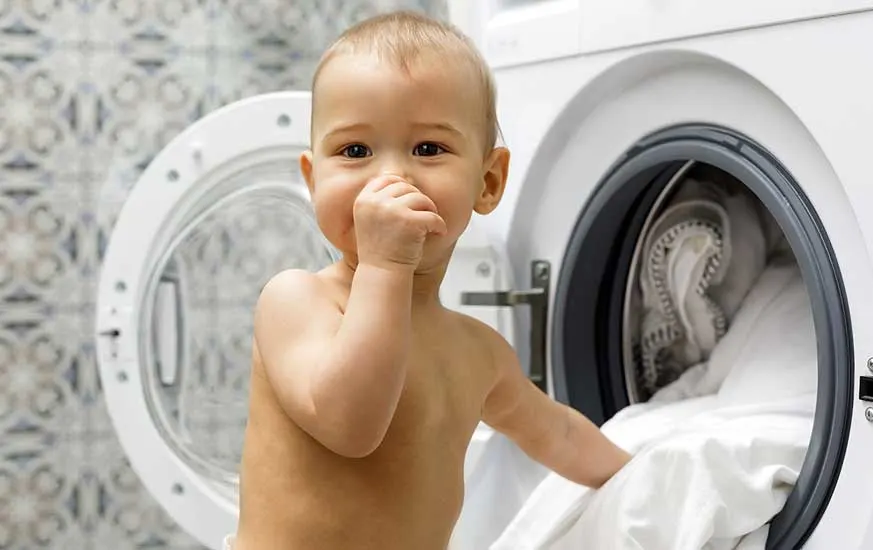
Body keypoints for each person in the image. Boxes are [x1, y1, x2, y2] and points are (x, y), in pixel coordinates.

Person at [229, 10, 631, 550]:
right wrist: (384, 267)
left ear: (486, 183)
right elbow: (351, 427)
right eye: (355, 152)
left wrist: (639, 472)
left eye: (428, 149)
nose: (390, 177)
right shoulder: (295, 301)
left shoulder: (479, 352)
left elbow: (556, 434)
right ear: (313, 178)